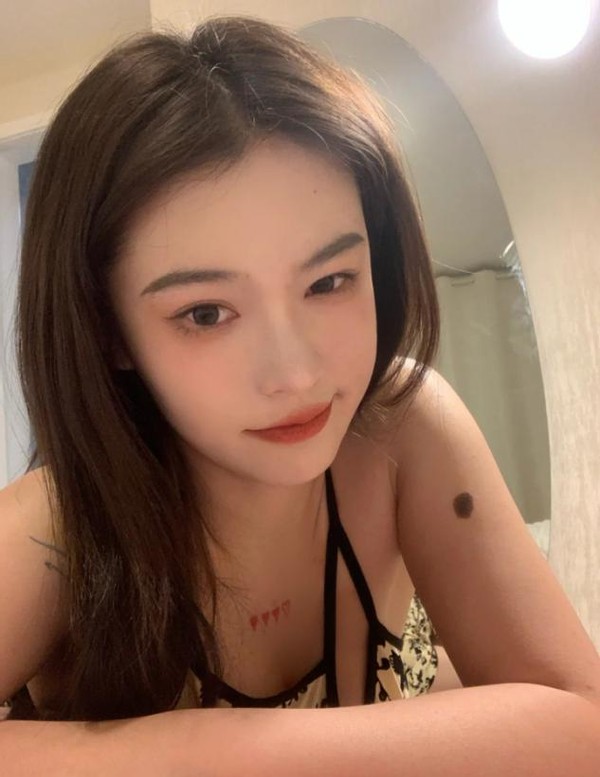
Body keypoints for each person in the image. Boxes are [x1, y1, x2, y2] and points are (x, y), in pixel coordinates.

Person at [0, 13, 598, 775]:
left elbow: (579, 720)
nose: (296, 374)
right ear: (108, 329)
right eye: (206, 313)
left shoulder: (399, 424)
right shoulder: (58, 529)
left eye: (329, 281)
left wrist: (200, 747)